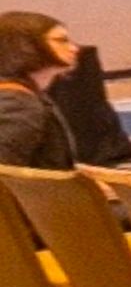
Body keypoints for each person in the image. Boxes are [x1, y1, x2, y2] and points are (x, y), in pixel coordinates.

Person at [0, 12, 81, 170]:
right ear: (25, 45)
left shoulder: (20, 95)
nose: (74, 48)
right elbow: (5, 171)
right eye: (61, 41)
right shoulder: (19, 103)